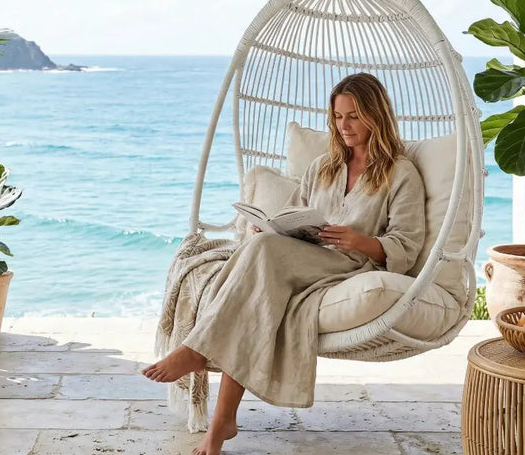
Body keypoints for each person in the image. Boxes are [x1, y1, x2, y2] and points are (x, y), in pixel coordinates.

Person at [142, 73, 426, 455]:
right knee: (258, 272)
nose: (344, 126)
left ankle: (197, 350)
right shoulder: (324, 166)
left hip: (351, 265)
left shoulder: (400, 173)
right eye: (339, 117)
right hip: (303, 256)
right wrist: (272, 224)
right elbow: (297, 212)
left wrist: (362, 241)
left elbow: (407, 246)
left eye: (354, 116)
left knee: (262, 252)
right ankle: (222, 422)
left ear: (377, 116)